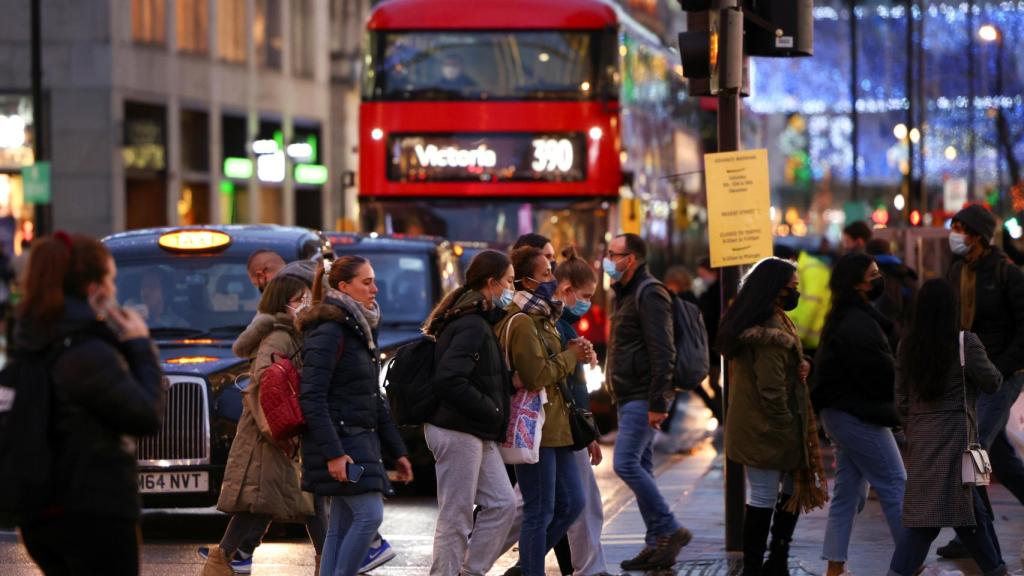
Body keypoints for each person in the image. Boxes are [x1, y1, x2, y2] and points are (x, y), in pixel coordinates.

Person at [16, 233, 164, 576]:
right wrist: (140, 346)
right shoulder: (88, 352)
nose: (113, 291)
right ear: (94, 288)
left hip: (39, 511)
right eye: (111, 281)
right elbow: (145, 414)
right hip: (95, 510)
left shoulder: (34, 339)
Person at [200, 274, 324, 576]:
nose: (305, 304)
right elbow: (265, 390)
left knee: (272, 501)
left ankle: (223, 558)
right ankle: (330, 562)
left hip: (278, 434)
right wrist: (280, 432)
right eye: (300, 300)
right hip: (272, 436)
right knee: (302, 499)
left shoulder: (291, 333)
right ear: (283, 304)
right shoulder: (278, 338)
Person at [297, 256, 414, 576]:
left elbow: (372, 399)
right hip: (343, 443)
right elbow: (312, 397)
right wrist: (334, 454)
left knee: (341, 524)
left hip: (358, 439)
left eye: (374, 281)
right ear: (344, 287)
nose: (375, 289)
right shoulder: (331, 331)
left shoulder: (357, 329)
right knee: (369, 516)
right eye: (367, 282)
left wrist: (397, 451)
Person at [888, 279, 1007, 576]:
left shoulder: (906, 346)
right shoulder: (965, 343)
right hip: (956, 440)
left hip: (922, 440)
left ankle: (997, 569)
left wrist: (916, 425)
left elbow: (900, 399)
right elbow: (992, 382)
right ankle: (996, 570)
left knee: (953, 513)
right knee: (947, 516)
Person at [718, 257, 828, 575]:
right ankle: (759, 566)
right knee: (767, 493)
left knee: (788, 489)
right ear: (776, 290)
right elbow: (771, 389)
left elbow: (781, 366)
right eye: (793, 287)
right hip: (766, 426)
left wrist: (800, 362)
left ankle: (775, 559)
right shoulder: (770, 331)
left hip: (755, 423)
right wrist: (784, 428)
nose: (797, 293)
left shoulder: (764, 321)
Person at [421, 249, 518, 576]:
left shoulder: (476, 320)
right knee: (456, 515)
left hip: (475, 428)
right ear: (491, 283)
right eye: (509, 281)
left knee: (503, 503)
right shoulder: (471, 324)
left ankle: (469, 571)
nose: (512, 288)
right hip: (458, 429)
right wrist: (490, 408)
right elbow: (449, 379)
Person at [495, 246, 588, 576]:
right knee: (540, 509)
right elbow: (536, 376)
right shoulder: (521, 322)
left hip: (557, 425)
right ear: (528, 281)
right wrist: (571, 357)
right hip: (534, 426)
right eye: (547, 273)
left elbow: (554, 367)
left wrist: (576, 353)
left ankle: (524, 566)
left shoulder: (547, 317)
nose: (553, 279)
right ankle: (530, 569)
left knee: (572, 503)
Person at [811, 253, 906, 576]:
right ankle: (911, 563)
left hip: (841, 413)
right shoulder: (858, 322)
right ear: (857, 283)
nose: (878, 279)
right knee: (895, 483)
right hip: (858, 414)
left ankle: (835, 567)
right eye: (873, 274)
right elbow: (876, 373)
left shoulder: (847, 316)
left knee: (848, 493)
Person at [938, 204, 1024, 560]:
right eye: (954, 225)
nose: (954, 233)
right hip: (968, 376)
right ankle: (972, 531)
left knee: (972, 453)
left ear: (978, 235)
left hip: (1001, 377)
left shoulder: (1007, 273)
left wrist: (999, 369)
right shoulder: (957, 270)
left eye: (961, 227)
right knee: (998, 458)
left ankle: (974, 535)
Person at [603, 233, 692, 571]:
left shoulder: (650, 292)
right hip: (628, 394)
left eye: (615, 254)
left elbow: (663, 351)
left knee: (625, 464)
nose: (609, 259)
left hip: (643, 395)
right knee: (641, 466)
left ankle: (670, 527)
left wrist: (659, 400)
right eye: (608, 253)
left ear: (633, 259)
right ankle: (657, 545)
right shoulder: (624, 293)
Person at [551, 247, 610, 576]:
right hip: (558, 427)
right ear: (567, 289)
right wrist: (587, 431)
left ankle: (590, 567)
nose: (588, 302)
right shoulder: (557, 325)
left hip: (565, 427)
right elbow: (563, 382)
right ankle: (474, 560)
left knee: (578, 501)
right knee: (522, 507)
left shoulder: (567, 328)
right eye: (586, 295)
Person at [865, 238, 918, 350]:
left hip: (875, 337)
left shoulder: (868, 275)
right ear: (889, 252)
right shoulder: (906, 273)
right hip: (903, 336)